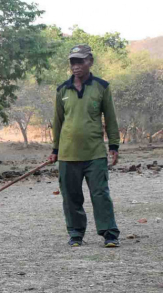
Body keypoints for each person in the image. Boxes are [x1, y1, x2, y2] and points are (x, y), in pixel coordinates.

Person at [48, 44, 120, 248]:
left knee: (100, 194)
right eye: (73, 61)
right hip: (67, 154)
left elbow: (111, 119)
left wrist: (114, 145)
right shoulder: (62, 90)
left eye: (80, 61)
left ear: (90, 61)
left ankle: (109, 234)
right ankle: (76, 234)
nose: (76, 65)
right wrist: (55, 150)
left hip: (95, 152)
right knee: (71, 196)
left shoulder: (102, 86)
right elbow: (58, 121)